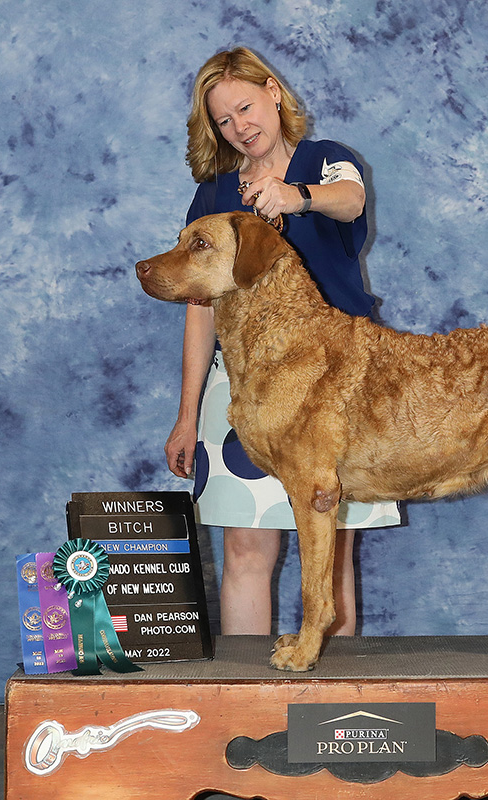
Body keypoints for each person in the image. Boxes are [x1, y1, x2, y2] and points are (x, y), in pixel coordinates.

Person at [165, 46, 400, 637]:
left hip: (339, 382)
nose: (240, 126)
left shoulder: (328, 162)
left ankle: (333, 709)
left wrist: (297, 197)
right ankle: (253, 697)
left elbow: (352, 201)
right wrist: (188, 414)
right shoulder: (215, 196)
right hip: (241, 385)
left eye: (245, 106)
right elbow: (200, 311)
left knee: (333, 556)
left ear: (273, 92)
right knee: (246, 550)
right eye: (223, 120)